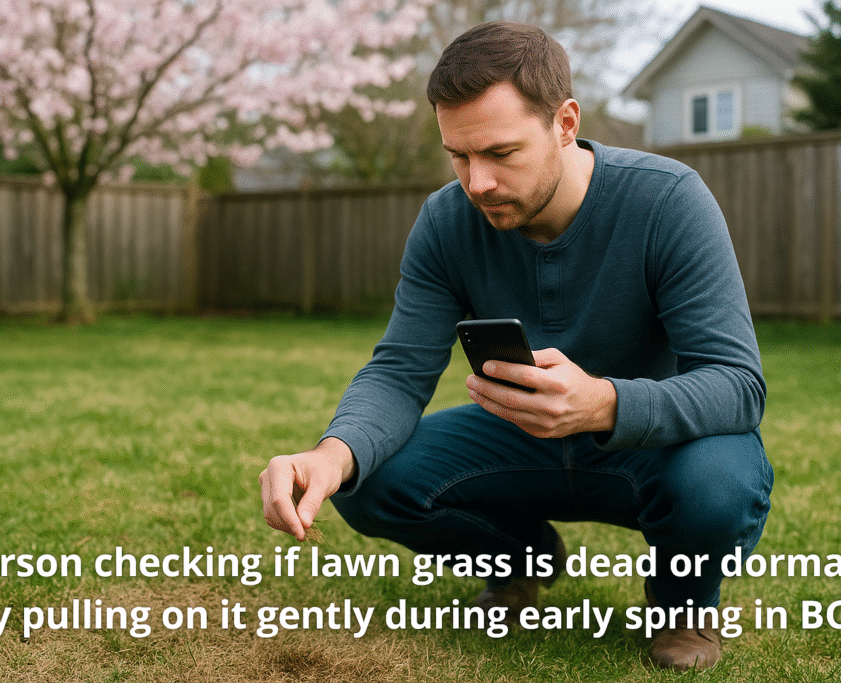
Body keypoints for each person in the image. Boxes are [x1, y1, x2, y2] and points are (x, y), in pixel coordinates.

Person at [259, 21, 773, 672]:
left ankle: (683, 607)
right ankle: (521, 559)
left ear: (564, 123)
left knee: (719, 481)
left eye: (501, 153)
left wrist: (603, 402)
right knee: (366, 476)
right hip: (518, 437)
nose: (477, 183)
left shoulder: (669, 200)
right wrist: (331, 455)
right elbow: (400, 369)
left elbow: (737, 384)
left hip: (653, 443)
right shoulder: (447, 220)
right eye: (459, 156)